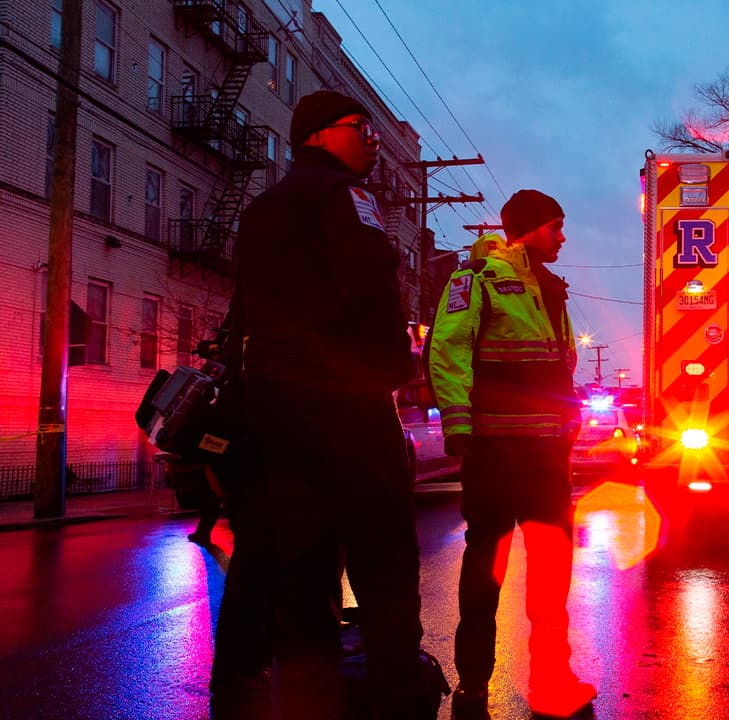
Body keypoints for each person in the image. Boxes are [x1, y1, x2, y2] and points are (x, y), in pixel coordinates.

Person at [230, 90, 431, 720]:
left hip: (275, 412)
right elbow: (370, 286)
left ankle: (306, 702)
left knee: (301, 571)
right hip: (344, 408)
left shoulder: (264, 207)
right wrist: (394, 368)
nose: (373, 140)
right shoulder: (346, 198)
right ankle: (396, 697)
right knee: (384, 563)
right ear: (318, 135)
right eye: (362, 128)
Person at [428, 191, 595, 719]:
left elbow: (558, 366)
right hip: (497, 455)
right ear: (530, 229)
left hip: (546, 458)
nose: (562, 237)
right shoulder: (476, 279)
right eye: (556, 226)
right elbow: (449, 348)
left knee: (551, 573)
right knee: (486, 570)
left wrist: (570, 422)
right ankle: (474, 681)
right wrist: (458, 422)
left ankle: (552, 676)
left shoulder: (551, 288)